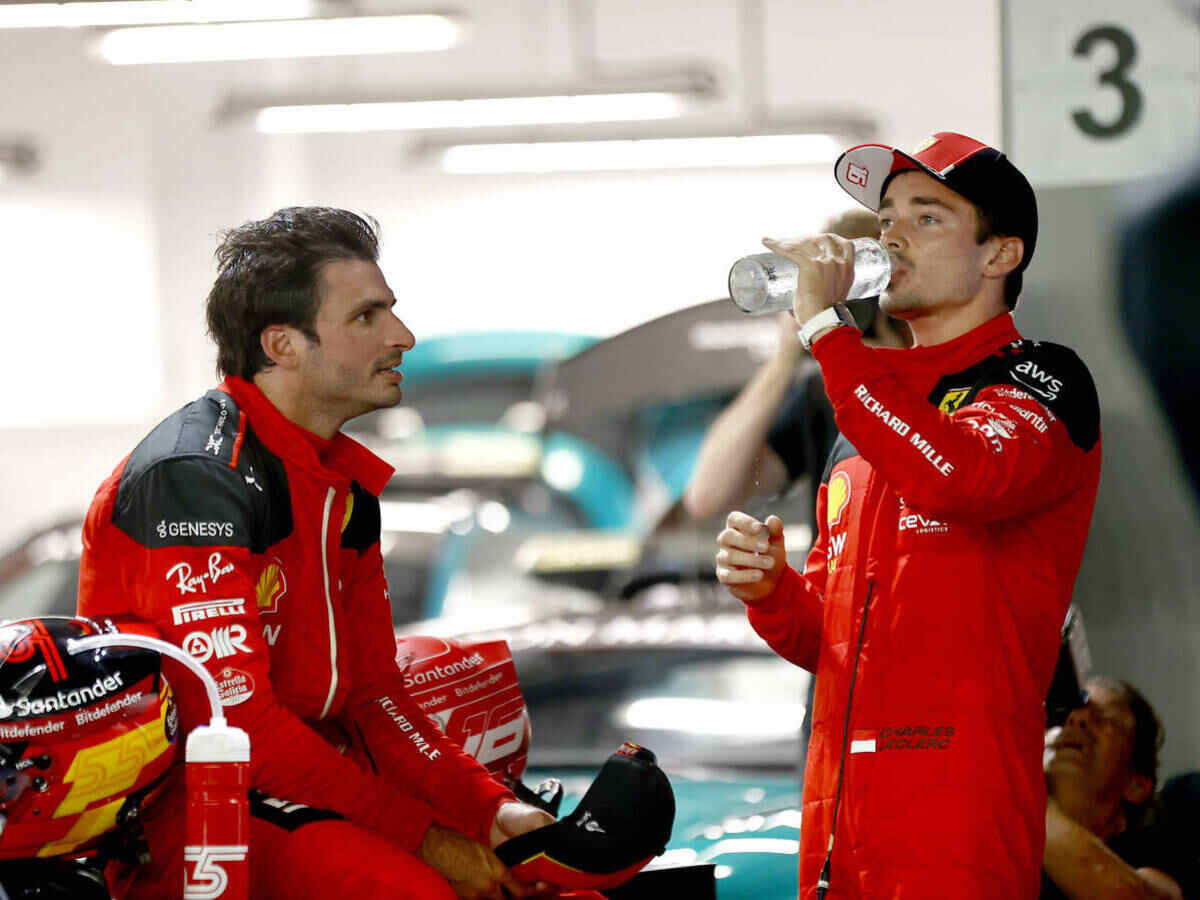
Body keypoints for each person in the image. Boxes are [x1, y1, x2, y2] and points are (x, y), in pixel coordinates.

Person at [77, 207, 554, 900]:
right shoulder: (194, 478)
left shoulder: (343, 487)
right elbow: (237, 725)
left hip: (302, 777)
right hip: (189, 801)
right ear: (283, 345)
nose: (403, 336)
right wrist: (431, 841)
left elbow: (373, 697)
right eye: (367, 317)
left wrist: (492, 811)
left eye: (392, 311)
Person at [714, 132, 1102, 898]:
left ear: (1000, 256)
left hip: (956, 827)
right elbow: (829, 641)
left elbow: (961, 477)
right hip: (836, 831)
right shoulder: (867, 414)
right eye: (887, 215)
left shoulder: (1041, 379)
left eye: (926, 217)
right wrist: (771, 591)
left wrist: (827, 332)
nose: (890, 234)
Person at [682, 210, 908, 526]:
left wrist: (855, 347)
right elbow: (708, 495)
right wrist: (785, 357)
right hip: (833, 574)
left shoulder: (945, 385)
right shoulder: (820, 395)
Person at [1042, 677, 1184, 899]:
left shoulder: (1150, 858)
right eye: (1068, 712)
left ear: (1136, 785)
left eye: (1104, 719)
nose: (1075, 717)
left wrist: (1024, 799)